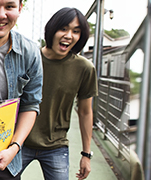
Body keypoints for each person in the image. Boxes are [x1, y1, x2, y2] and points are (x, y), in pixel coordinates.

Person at [19, 7, 97, 180]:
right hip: (19, 141)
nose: (69, 35)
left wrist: (86, 154)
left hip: (56, 145)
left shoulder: (85, 68)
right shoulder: (30, 59)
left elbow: (85, 111)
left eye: (76, 31)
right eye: (63, 29)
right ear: (52, 30)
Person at [0, 0, 43, 179]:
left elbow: (31, 105)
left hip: (3, 155)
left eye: (9, 7)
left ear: (19, 9)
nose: (1, 15)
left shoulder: (30, 52)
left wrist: (14, 148)